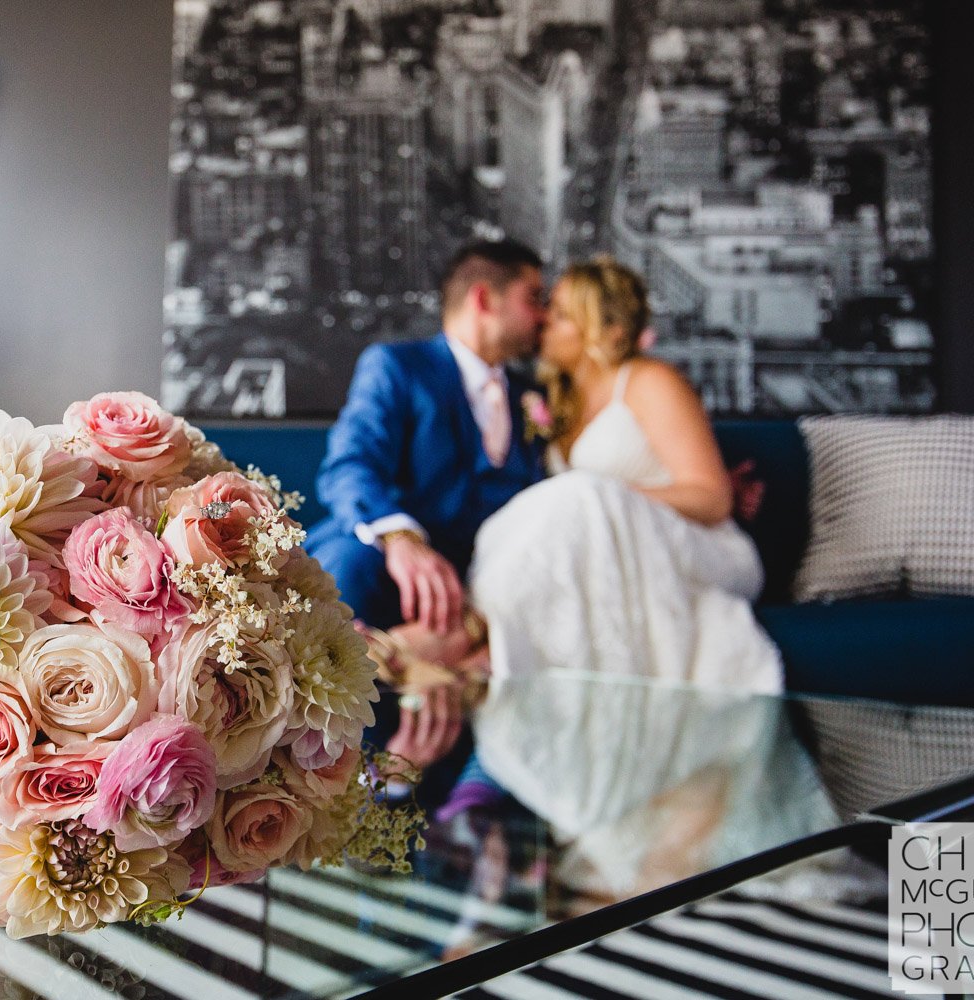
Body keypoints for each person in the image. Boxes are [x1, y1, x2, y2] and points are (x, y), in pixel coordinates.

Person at [373, 255, 785, 821]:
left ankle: (450, 638)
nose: (543, 323)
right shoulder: (553, 407)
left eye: (560, 314)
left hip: (700, 553)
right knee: (537, 521)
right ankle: (474, 673)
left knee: (578, 496)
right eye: (542, 309)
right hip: (615, 561)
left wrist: (608, 497)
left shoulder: (649, 381)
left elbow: (712, 498)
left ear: (600, 330)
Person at [304, 237, 549, 802]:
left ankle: (462, 803)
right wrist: (401, 538)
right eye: (533, 297)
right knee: (350, 563)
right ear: (485, 297)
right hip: (380, 558)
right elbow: (350, 464)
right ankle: (337, 787)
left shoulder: (533, 398)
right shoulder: (397, 367)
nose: (544, 313)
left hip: (483, 584)